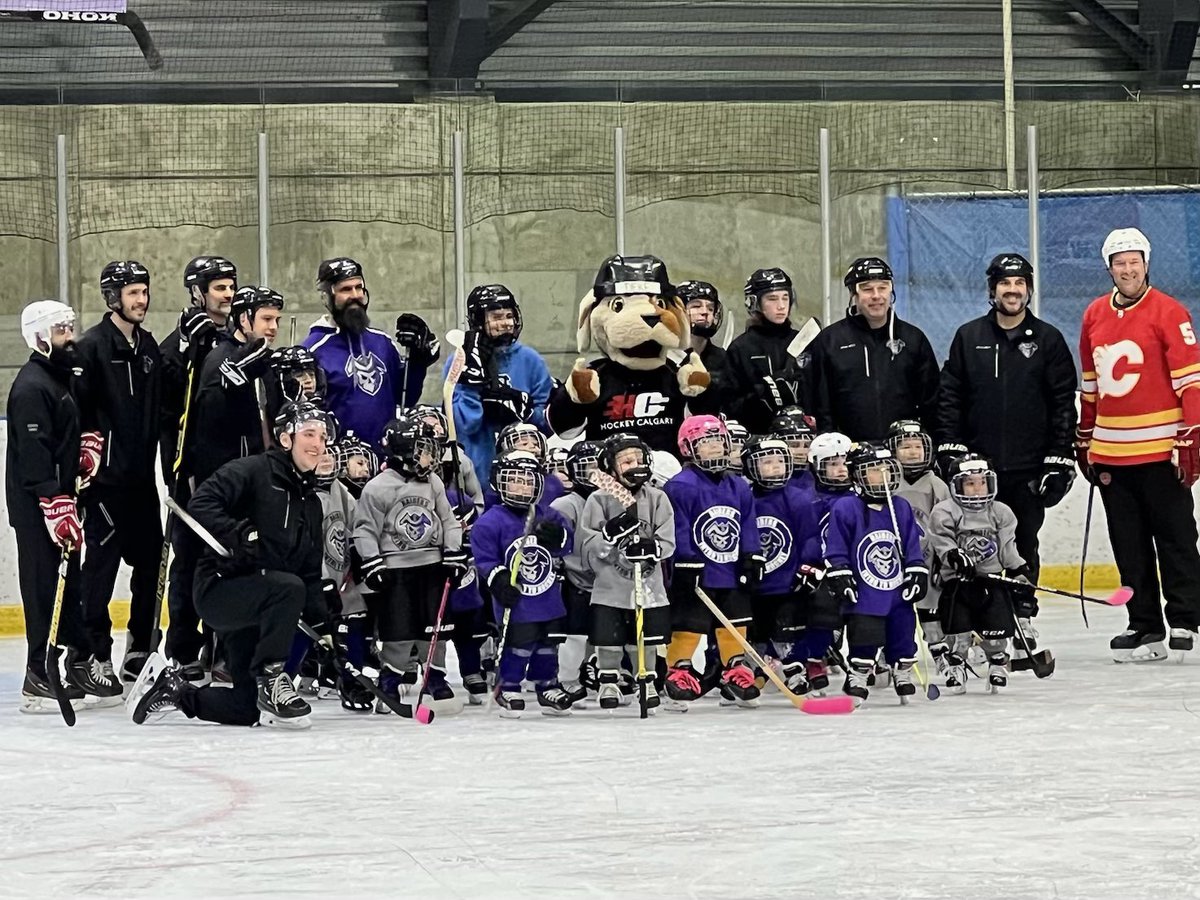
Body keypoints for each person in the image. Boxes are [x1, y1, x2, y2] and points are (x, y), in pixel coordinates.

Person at [128, 401, 338, 729]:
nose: (318, 444)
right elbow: (201, 502)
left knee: (247, 708)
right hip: (221, 588)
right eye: (309, 434)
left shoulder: (310, 505)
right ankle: (272, 679)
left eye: (323, 437)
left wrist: (324, 631)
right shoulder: (253, 471)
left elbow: (308, 575)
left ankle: (175, 691)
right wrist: (238, 534)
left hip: (259, 609)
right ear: (286, 439)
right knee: (287, 589)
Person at [936, 252, 1076, 662]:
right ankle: (980, 624)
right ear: (992, 290)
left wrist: (1059, 457)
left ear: (1028, 289)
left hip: (1027, 469)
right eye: (1005, 283)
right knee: (974, 546)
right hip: (975, 472)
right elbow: (951, 397)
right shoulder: (968, 336)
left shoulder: (1048, 339)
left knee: (1021, 543)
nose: (1012, 290)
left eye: (1019, 283)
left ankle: (1022, 614)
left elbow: (1062, 403)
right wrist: (949, 446)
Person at [1076, 228, 1200, 662]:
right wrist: (1085, 436)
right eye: (1119, 263)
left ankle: (1185, 619)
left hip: (1161, 450)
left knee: (1176, 538)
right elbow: (1091, 386)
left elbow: (1191, 382)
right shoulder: (1093, 315)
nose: (1128, 269)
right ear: (1109, 268)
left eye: (1134, 261)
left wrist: (1191, 435)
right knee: (1128, 545)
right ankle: (1144, 625)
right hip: (1112, 452)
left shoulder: (1169, 311)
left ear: (1146, 263)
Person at [8, 300, 122, 711]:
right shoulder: (31, 387)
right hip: (38, 505)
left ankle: (74, 661)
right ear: (39, 337)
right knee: (44, 588)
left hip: (64, 498)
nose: (70, 337)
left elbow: (82, 413)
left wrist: (88, 444)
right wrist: (53, 503)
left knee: (69, 583)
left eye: (70, 328)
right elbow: (35, 455)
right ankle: (38, 672)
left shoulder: (63, 374)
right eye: (60, 331)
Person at [74, 260, 163, 685]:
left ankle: (142, 647)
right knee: (100, 572)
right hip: (106, 486)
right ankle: (93, 653)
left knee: (151, 567)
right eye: (132, 293)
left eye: (144, 292)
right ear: (113, 298)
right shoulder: (90, 347)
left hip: (142, 484)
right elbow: (78, 413)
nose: (141, 300)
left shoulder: (149, 348)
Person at [352, 415, 467, 714]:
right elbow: (364, 529)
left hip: (432, 565)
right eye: (423, 449)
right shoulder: (378, 488)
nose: (430, 456)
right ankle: (391, 678)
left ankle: (436, 676)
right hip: (396, 571)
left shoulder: (434, 482)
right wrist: (373, 562)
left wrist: (453, 552)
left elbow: (448, 521)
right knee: (399, 630)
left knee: (436, 627)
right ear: (403, 452)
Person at [159, 256, 238, 680]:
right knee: (188, 561)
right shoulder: (176, 345)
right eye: (218, 287)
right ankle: (185, 650)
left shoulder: (235, 345)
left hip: (229, 472)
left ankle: (223, 647)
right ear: (197, 292)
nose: (226, 295)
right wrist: (187, 355)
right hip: (188, 473)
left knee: (227, 559)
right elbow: (166, 408)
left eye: (230, 287)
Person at [662, 415, 762, 708]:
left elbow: (748, 524)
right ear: (688, 448)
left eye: (719, 441)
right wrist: (685, 562)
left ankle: (734, 671)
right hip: (697, 572)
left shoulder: (739, 486)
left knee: (735, 618)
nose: (716, 448)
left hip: (730, 570)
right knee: (691, 622)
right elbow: (678, 526)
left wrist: (751, 556)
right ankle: (677, 671)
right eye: (706, 443)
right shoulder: (681, 486)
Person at [821, 443, 928, 705]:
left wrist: (916, 571)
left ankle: (901, 672)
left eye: (887, 470)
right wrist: (840, 573)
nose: (883, 476)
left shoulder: (900, 506)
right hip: (864, 591)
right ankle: (858, 674)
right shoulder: (845, 507)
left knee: (903, 633)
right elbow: (836, 548)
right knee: (865, 634)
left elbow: (911, 544)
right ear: (857, 476)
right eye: (874, 471)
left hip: (896, 589)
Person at [470, 450, 575, 717]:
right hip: (517, 601)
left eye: (528, 480)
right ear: (499, 482)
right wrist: (499, 580)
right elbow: (484, 559)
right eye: (515, 479)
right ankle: (510, 685)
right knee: (520, 642)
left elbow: (567, 546)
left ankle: (546, 685)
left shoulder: (547, 515)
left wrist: (557, 538)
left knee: (548, 643)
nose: (522, 486)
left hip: (547, 596)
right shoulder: (490, 522)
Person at [579, 433, 675, 711]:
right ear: (609, 467)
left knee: (643, 638)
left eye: (639, 459)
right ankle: (609, 680)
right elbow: (587, 544)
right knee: (609, 638)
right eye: (626, 460)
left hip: (648, 587)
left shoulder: (658, 498)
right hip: (610, 588)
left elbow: (668, 540)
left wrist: (653, 547)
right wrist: (607, 537)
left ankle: (644, 679)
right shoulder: (599, 499)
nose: (635, 464)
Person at [304, 257, 438, 450]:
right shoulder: (313, 351)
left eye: (359, 287)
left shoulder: (381, 342)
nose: (355, 295)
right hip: (341, 464)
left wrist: (418, 361)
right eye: (345, 289)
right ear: (326, 296)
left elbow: (406, 397)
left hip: (386, 464)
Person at [928, 454, 1035, 693]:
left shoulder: (1001, 512)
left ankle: (997, 665)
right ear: (956, 485)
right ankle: (957, 667)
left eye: (982, 482)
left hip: (992, 582)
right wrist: (953, 556)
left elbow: (1008, 547)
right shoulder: (944, 511)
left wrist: (1019, 569)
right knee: (959, 633)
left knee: (996, 630)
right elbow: (942, 541)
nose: (977, 489)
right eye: (970, 483)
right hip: (958, 584)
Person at [802, 257, 940, 441]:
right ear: (854, 294)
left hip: (903, 454)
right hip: (848, 456)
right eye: (867, 289)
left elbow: (932, 402)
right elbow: (820, 405)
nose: (876, 295)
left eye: (883, 287)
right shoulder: (830, 341)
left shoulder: (913, 339)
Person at [447, 283, 553, 488]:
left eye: (509, 316)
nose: (506, 323)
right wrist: (472, 385)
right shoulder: (459, 360)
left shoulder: (531, 360)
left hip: (524, 482)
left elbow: (546, 427)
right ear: (478, 320)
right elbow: (463, 425)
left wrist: (526, 413)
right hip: (476, 478)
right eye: (496, 317)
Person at [190, 286, 282, 485]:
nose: (274, 327)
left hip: (262, 472)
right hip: (226, 475)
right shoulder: (219, 359)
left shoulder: (266, 359)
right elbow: (208, 422)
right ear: (243, 319)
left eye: (277, 320)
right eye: (266, 319)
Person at [887, 419, 954, 684]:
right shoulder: (886, 482)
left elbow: (946, 529)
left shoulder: (937, 485)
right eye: (905, 446)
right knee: (891, 611)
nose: (913, 452)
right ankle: (885, 657)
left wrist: (943, 563)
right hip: (890, 563)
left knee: (931, 609)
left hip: (927, 563)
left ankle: (940, 654)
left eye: (918, 446)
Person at [548, 440, 604, 703]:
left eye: (598, 466)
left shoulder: (615, 499)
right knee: (575, 632)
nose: (593, 473)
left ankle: (604, 673)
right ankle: (567, 678)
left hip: (610, 580)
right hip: (576, 580)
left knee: (605, 632)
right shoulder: (565, 505)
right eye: (586, 467)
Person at [724, 268, 802, 434]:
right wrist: (760, 396)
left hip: (800, 439)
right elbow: (730, 407)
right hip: (757, 439)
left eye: (785, 298)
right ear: (754, 303)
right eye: (772, 299)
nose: (781, 306)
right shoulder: (740, 348)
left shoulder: (802, 342)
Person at [679, 280, 730, 415]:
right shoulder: (666, 359)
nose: (705, 312)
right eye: (696, 306)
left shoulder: (724, 359)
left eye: (710, 308)